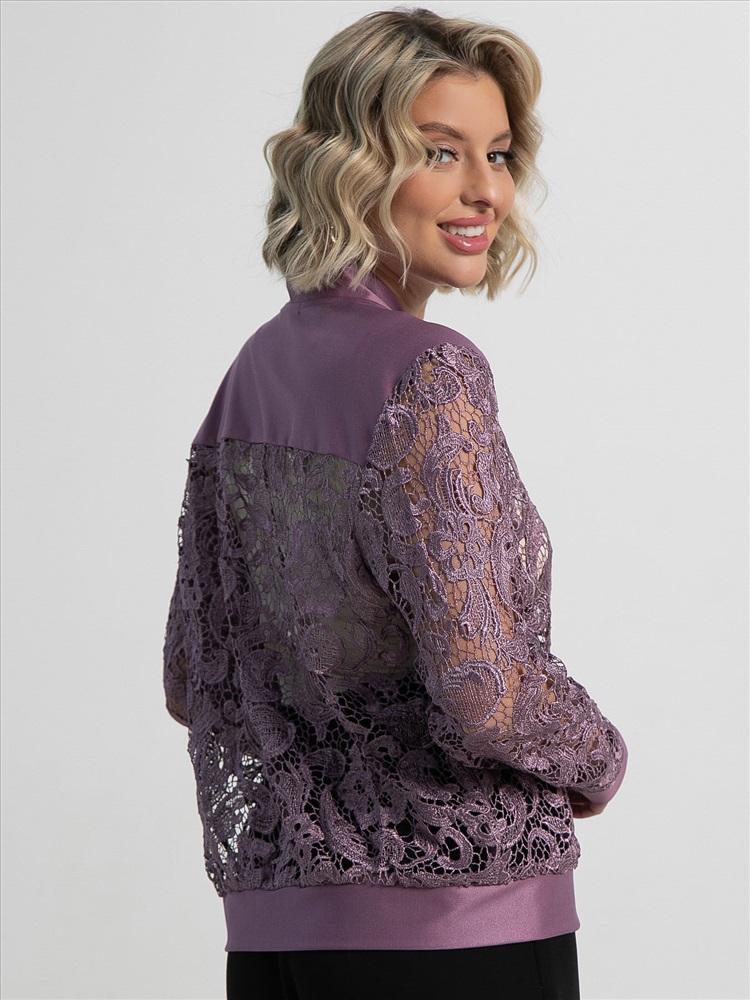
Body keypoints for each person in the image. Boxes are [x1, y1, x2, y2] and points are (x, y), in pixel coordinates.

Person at [163, 8, 627, 999]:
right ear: (351, 167)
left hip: (280, 935)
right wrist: (601, 758)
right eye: (439, 152)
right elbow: (486, 689)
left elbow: (188, 676)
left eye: (498, 154)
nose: (484, 189)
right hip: (458, 929)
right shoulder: (429, 372)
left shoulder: (254, 371)